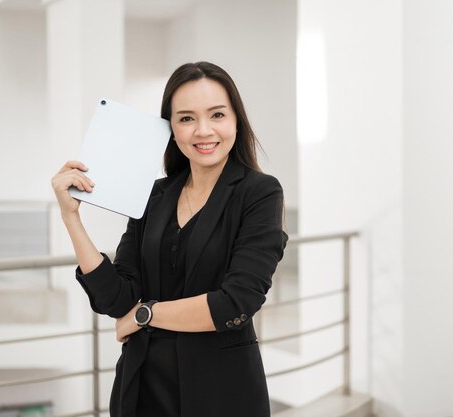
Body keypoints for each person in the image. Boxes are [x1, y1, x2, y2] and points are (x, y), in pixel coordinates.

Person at [51, 61, 288, 417]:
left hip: (221, 390)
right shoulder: (154, 195)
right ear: (171, 128)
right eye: (187, 118)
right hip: (143, 387)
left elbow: (235, 303)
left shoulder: (259, 193)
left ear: (236, 120)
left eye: (217, 115)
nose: (203, 131)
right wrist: (71, 217)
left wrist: (145, 314)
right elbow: (116, 300)